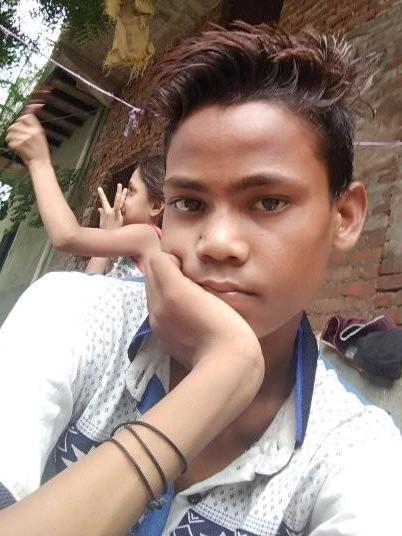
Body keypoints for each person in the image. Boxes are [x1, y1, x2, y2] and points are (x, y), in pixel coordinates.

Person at [0, 22, 401, 536]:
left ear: (344, 217)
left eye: (269, 202)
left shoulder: (356, 457)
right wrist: (223, 375)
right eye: (190, 204)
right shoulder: (73, 317)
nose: (217, 242)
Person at [6, 112, 165, 273]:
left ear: (156, 206)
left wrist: (39, 162)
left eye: (131, 190)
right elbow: (90, 280)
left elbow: (67, 237)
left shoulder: (148, 235)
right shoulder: (137, 246)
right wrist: (109, 234)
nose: (122, 196)